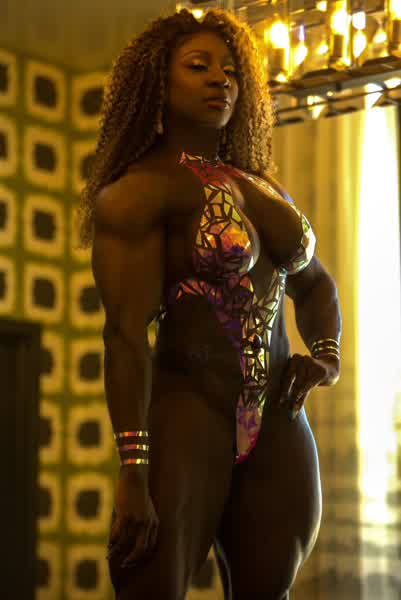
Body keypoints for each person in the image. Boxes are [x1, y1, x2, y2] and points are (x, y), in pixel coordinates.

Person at [78, 7, 342, 599]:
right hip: (189, 414)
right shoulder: (137, 193)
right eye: (199, 66)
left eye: (230, 70)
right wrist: (133, 469)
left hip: (280, 422)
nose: (220, 79)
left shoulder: (267, 188)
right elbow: (124, 336)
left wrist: (326, 357)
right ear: (158, 82)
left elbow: (316, 285)